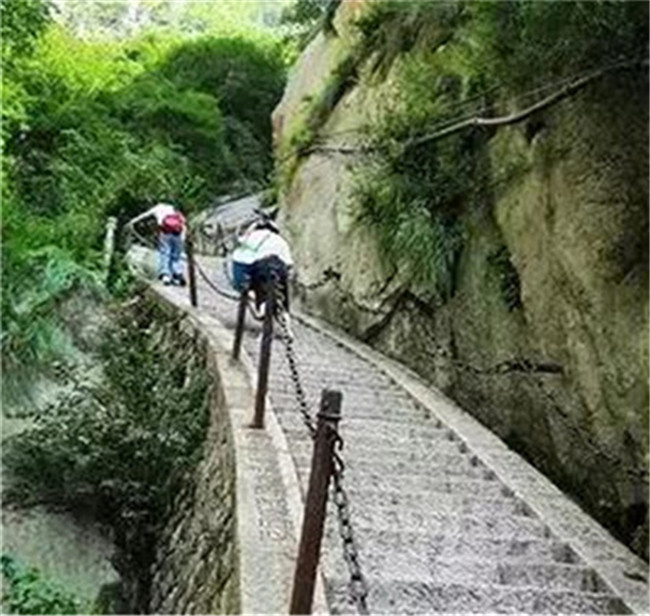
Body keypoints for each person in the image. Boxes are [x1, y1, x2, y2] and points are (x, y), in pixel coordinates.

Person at [232, 217, 293, 313]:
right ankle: (285, 311)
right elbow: (288, 263)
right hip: (275, 269)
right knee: (283, 283)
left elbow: (239, 251)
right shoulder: (281, 241)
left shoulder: (250, 237)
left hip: (256, 269)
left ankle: (259, 302)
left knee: (256, 281)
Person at [127, 202, 187, 286]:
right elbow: (182, 222)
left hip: (165, 233)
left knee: (165, 253)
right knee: (176, 255)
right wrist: (183, 237)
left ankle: (166, 275)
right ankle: (177, 274)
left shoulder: (158, 208)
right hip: (177, 234)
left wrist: (132, 221)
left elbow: (145, 215)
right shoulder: (172, 208)